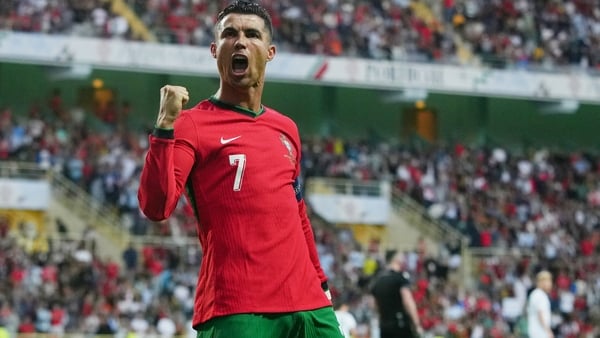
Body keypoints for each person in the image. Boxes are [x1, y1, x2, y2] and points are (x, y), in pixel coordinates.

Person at [137, 1, 343, 337]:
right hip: (239, 308)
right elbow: (156, 207)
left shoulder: (286, 128)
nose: (241, 41)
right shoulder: (192, 124)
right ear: (215, 50)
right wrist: (164, 128)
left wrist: (321, 282)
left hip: (309, 306)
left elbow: (297, 211)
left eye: (251, 34)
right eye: (230, 34)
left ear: (270, 51)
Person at [370, 250, 423, 338]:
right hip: (399, 324)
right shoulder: (400, 277)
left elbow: (375, 305)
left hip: (384, 325)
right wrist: (417, 324)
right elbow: (408, 301)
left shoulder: (378, 280)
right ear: (396, 259)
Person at [527, 270, 554, 338]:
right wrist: (548, 331)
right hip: (540, 331)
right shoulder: (539, 295)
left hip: (536, 331)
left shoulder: (536, 294)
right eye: (549, 281)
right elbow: (540, 314)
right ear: (542, 282)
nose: (550, 284)